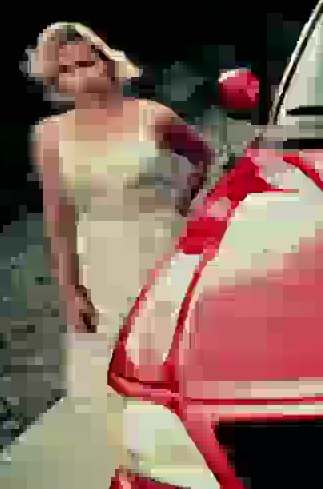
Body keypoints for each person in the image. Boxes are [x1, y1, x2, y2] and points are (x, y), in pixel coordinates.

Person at [26, 22, 213, 446]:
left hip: (161, 245)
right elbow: (58, 217)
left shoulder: (153, 116)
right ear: (55, 81)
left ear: (108, 63)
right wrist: (70, 291)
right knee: (110, 363)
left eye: (86, 63)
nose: (80, 76)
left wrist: (181, 201)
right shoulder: (49, 134)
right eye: (66, 70)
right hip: (99, 258)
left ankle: (188, 445)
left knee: (171, 347)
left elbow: (201, 156)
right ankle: (130, 451)